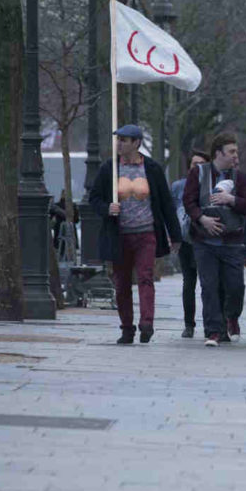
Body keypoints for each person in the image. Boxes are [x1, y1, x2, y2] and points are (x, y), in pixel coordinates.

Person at [90, 124, 182, 345]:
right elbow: (94, 199)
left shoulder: (152, 169)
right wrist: (107, 208)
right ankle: (127, 328)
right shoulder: (109, 168)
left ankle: (147, 323)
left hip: (146, 234)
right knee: (121, 284)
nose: (119, 144)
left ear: (137, 143)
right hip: (119, 236)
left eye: (124, 140)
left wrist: (175, 235)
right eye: (118, 139)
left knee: (145, 278)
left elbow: (166, 203)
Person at [183, 132, 246, 347]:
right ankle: (213, 331)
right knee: (209, 286)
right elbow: (188, 201)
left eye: (236, 152)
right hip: (204, 242)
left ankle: (231, 317)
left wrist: (231, 199)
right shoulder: (198, 173)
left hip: (232, 242)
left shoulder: (241, 178)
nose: (235, 156)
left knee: (236, 287)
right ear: (218, 153)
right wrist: (202, 219)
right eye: (231, 151)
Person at [171, 149, 210, 338]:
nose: (198, 168)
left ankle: (212, 324)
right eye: (195, 164)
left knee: (208, 283)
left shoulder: (211, 187)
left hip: (206, 240)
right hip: (186, 240)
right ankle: (189, 324)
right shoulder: (178, 187)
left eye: (202, 164)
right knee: (189, 282)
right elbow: (171, 212)